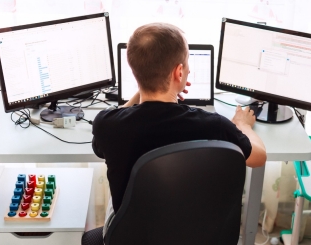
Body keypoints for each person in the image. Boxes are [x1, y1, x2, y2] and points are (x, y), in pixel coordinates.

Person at [92, 23, 267, 214]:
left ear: (134, 70)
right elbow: (259, 157)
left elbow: (102, 142)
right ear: (179, 72)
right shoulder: (213, 125)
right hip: (193, 235)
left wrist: (144, 85)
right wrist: (243, 125)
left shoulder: (107, 125)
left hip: (130, 240)